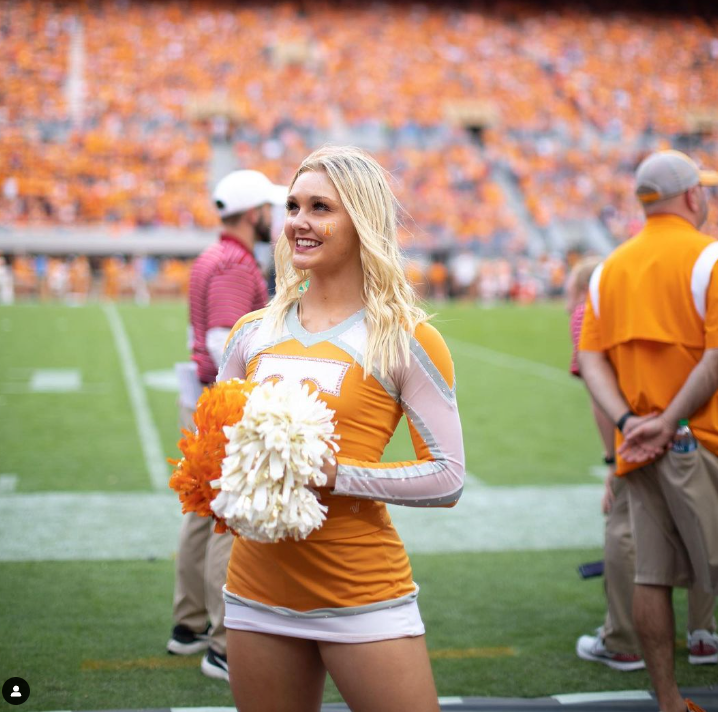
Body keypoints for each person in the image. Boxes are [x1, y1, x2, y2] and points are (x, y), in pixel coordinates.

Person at [217, 145, 465, 712]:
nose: (300, 222)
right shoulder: (251, 334)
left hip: (362, 595)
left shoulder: (405, 338)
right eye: (293, 206)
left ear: (363, 221)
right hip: (256, 592)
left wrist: (338, 475)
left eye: (321, 208)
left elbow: (447, 478)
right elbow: (220, 449)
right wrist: (216, 484)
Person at [578, 149, 718, 712]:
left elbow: (591, 362)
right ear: (692, 197)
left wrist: (631, 423)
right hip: (702, 440)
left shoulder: (609, 268)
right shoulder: (708, 258)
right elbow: (714, 357)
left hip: (639, 448)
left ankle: (667, 700)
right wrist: (671, 420)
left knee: (652, 578)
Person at [567, 257, 716, 672]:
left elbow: (598, 387)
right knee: (699, 526)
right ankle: (703, 633)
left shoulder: (591, 306)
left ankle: (624, 640)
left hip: (638, 434)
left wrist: (614, 456)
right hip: (693, 428)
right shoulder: (688, 285)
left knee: (630, 536)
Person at [167, 169, 286, 681]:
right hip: (223, 399)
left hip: (204, 395)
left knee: (199, 515)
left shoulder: (213, 256)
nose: (274, 219)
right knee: (225, 522)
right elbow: (223, 341)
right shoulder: (236, 263)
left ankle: (189, 625)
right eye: (269, 210)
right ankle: (222, 643)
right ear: (253, 211)